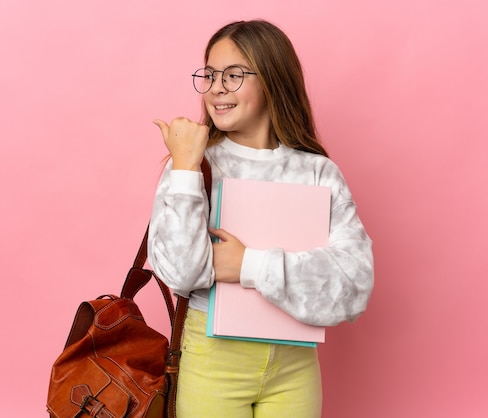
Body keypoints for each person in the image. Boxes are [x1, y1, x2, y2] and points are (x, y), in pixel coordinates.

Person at [148, 19, 373, 418]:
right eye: (211, 74)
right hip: (212, 359)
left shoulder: (318, 173)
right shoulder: (193, 166)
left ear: (272, 80)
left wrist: (248, 264)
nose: (216, 87)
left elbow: (353, 285)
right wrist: (184, 168)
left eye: (233, 75)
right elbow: (181, 275)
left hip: (294, 364)